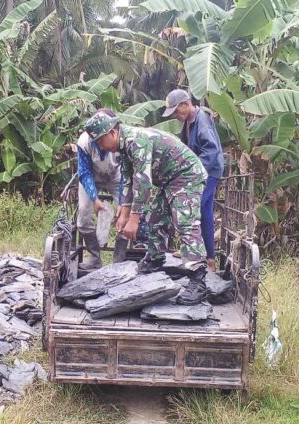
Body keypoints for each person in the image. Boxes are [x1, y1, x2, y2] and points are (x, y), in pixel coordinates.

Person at [84, 111, 208, 305]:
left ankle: (198, 280)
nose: (101, 147)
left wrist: (133, 220)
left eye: (100, 141)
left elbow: (143, 183)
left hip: (187, 175)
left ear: (112, 133)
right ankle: (155, 260)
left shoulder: (136, 141)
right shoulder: (123, 147)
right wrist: (124, 213)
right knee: (155, 218)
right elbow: (128, 179)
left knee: (185, 222)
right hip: (169, 179)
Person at [162, 89, 225, 272]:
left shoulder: (201, 120)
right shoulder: (188, 122)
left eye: (176, 110)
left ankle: (201, 256)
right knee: (203, 211)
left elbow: (211, 151)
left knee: (193, 207)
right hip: (201, 171)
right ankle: (206, 257)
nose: (175, 115)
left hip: (209, 171)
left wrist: (193, 172)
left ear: (186, 104)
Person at [74, 108, 129, 269]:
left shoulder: (121, 140)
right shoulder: (84, 142)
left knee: (126, 213)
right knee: (84, 215)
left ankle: (119, 260)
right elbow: (84, 173)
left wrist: (123, 204)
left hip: (116, 175)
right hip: (92, 175)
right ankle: (94, 258)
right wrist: (95, 199)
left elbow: (127, 175)